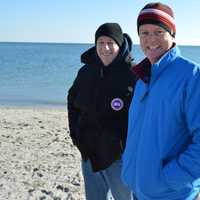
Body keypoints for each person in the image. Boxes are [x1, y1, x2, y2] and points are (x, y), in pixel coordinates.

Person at [121, 2, 200, 200]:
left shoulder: (191, 76)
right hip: (138, 189)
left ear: (172, 34)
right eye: (144, 33)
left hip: (172, 193)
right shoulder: (142, 77)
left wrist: (168, 178)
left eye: (158, 32)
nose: (151, 39)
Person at [67, 22, 137, 200]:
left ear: (119, 45)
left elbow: (142, 117)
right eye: (100, 42)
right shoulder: (86, 72)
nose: (105, 48)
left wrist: (127, 147)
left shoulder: (133, 75)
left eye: (110, 43)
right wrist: (76, 135)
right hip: (89, 153)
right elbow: (72, 101)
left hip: (119, 158)